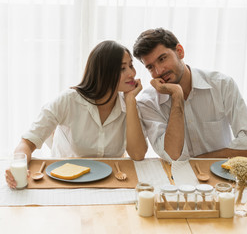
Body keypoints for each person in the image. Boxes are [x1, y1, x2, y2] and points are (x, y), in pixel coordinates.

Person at [5, 40, 147, 188]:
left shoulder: (128, 104)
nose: (132, 73)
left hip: (110, 182)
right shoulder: (68, 100)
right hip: (63, 182)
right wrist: (17, 167)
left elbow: (138, 155)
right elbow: (27, 142)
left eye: (131, 65)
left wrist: (130, 101)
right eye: (122, 69)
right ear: (103, 72)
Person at [133, 28, 247, 163]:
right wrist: (177, 94)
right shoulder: (147, 102)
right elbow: (173, 156)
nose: (159, 70)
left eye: (162, 59)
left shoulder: (222, 85)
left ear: (180, 52)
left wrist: (198, 161)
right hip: (177, 180)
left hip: (221, 176)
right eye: (150, 67)